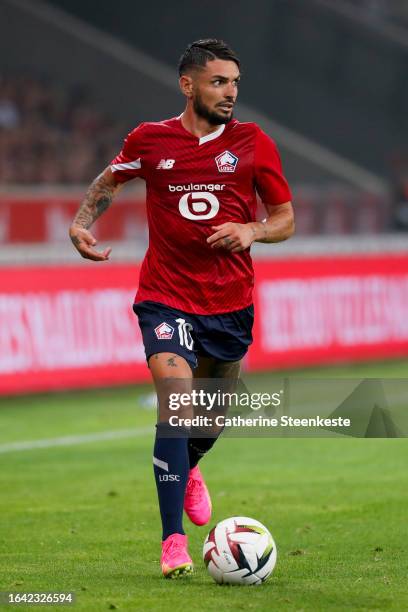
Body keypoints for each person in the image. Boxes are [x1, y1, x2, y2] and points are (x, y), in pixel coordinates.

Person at [69, 39, 294, 579]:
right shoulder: (151, 139)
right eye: (219, 82)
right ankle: (173, 542)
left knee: (211, 419)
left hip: (231, 304)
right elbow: (110, 181)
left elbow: (284, 217)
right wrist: (82, 223)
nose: (231, 93)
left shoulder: (252, 143)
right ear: (188, 85)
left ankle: (188, 466)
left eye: (235, 82)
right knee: (176, 407)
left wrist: (253, 229)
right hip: (165, 296)